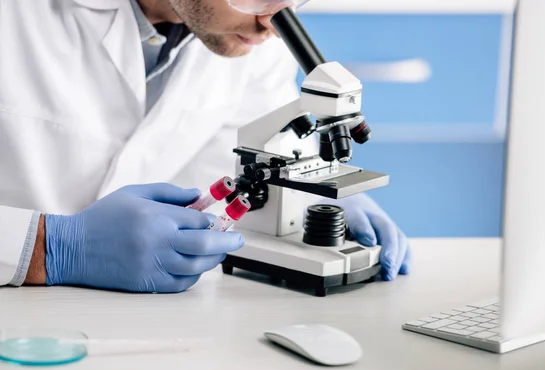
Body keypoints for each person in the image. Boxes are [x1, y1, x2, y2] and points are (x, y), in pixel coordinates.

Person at [0, 0, 412, 293]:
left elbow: (247, 165)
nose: (273, 21)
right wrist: (49, 246)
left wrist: (306, 203)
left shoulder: (250, 40)